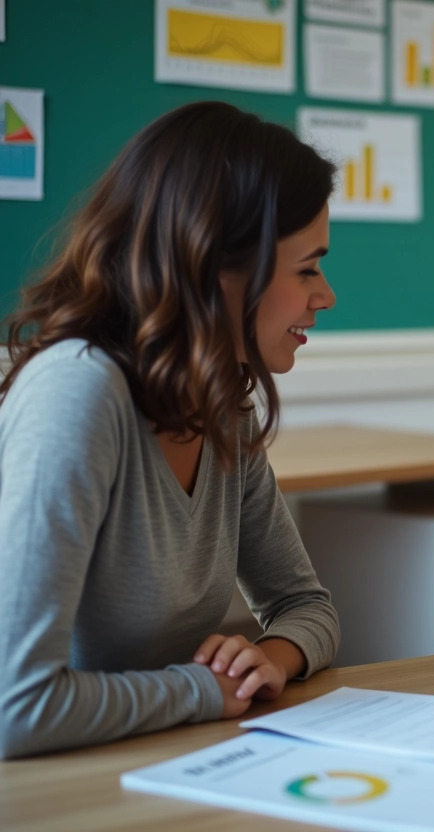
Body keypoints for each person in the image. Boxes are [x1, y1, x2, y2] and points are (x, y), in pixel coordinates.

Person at [0, 101, 342, 759]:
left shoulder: (221, 406)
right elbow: (15, 708)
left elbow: (309, 608)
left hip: (142, 762)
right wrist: (203, 692)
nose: (324, 295)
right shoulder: (77, 391)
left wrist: (270, 658)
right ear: (216, 265)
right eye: (307, 268)